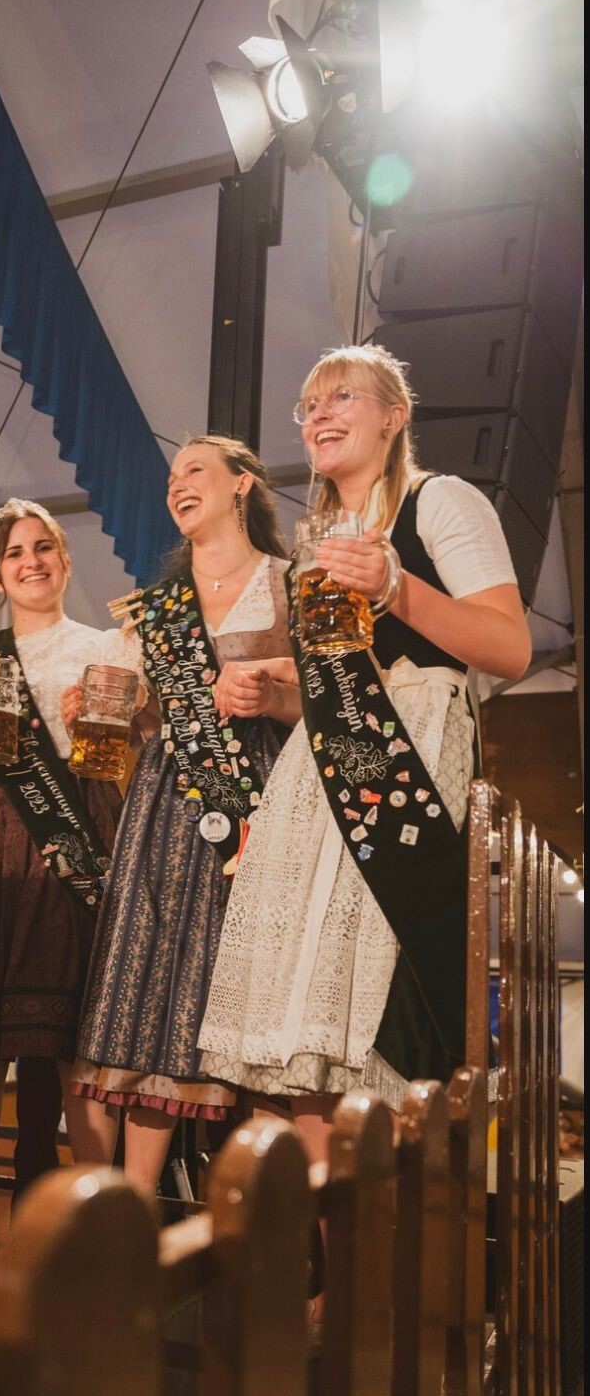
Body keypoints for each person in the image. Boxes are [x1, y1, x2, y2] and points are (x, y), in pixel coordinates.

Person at [198, 344, 531, 1134]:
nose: (319, 413)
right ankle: (325, 1211)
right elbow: (333, 693)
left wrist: (395, 585)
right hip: (320, 770)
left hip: (410, 752)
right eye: (310, 405)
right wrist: (271, 693)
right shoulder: (313, 543)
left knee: (378, 1002)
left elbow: (510, 649)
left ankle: (391, 1201)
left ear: (394, 416)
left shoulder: (439, 501)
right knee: (303, 1017)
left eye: (342, 396)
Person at [70, 436, 297, 1196]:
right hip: (168, 799)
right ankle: (127, 1212)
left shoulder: (290, 583)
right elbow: (145, 720)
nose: (177, 485)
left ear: (242, 485)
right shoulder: (156, 606)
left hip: (262, 802)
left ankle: (259, 1213)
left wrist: (269, 691)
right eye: (171, 477)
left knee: (246, 990)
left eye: (194, 469)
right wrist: (104, 709)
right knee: (147, 983)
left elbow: (327, 697)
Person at [0, 498, 133, 1282]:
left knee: (81, 1040)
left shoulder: (107, 645)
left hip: (83, 825)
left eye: (43, 546)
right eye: (15, 552)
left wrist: (116, 718)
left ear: (64, 558)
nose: (31, 561)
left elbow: (132, 750)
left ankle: (93, 1225)